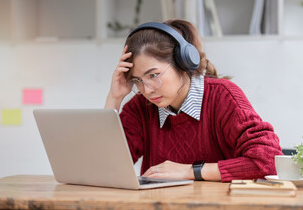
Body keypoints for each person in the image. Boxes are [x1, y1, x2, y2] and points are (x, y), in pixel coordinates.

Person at [105, 19, 282, 182]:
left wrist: (190, 171)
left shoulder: (222, 96)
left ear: (182, 64)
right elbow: (106, 166)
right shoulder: (140, 107)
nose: (147, 90)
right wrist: (114, 97)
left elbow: (269, 160)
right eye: (138, 81)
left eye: (153, 75)